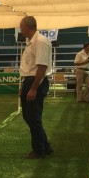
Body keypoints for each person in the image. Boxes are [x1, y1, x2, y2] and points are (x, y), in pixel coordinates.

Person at [19, 15, 53, 160]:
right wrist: (25, 86)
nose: (20, 30)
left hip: (36, 81)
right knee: (29, 116)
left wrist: (33, 88)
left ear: (27, 27)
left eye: (21, 27)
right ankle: (45, 146)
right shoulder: (31, 42)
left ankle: (39, 150)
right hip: (30, 80)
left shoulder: (40, 42)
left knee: (33, 117)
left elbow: (42, 67)